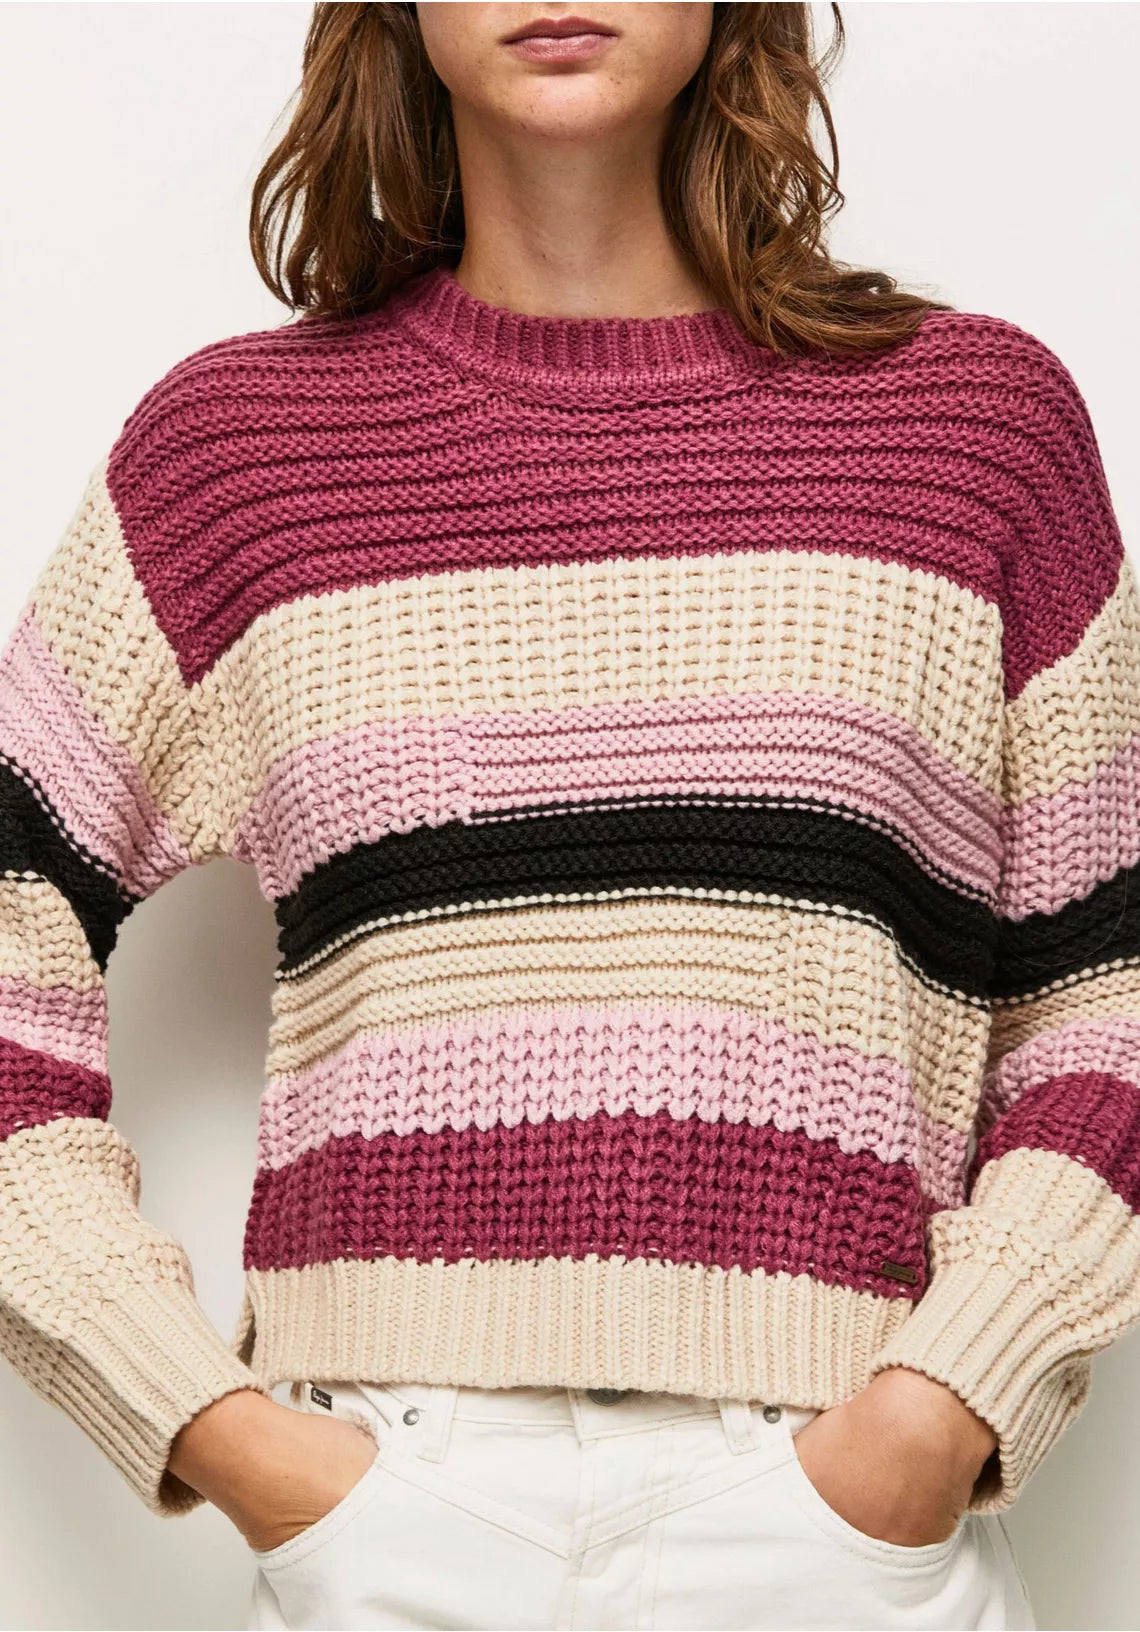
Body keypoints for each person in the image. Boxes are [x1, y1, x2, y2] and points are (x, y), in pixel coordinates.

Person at [0, 2, 1135, 1627]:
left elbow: (1108, 993)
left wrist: (944, 1402)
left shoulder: (970, 435)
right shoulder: (240, 462)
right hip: (396, 1509)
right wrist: (204, 1419)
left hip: (838, 1510)